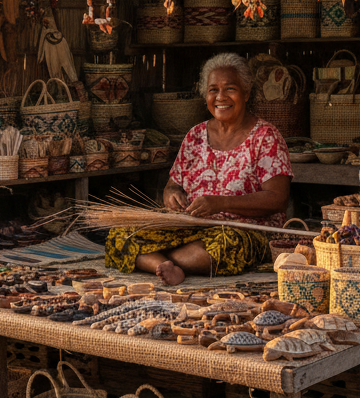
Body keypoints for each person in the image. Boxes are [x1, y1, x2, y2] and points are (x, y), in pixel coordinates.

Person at [105, 53, 292, 284]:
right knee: (120, 234)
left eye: (230, 89)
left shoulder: (266, 137)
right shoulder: (195, 136)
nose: (220, 97)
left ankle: (158, 257)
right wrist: (172, 196)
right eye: (213, 90)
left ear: (246, 93)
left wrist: (219, 203)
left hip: (243, 229)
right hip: (191, 226)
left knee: (223, 246)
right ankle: (165, 265)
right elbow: (172, 186)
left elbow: (277, 199)